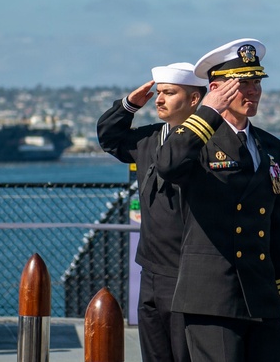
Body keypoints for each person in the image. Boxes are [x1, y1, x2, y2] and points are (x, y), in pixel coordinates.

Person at [155, 39, 280, 361]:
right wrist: (207, 111)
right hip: (213, 297)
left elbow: (278, 222)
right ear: (215, 89)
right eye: (242, 84)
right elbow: (168, 165)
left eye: (256, 82)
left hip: (262, 295)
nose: (252, 91)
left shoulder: (271, 146)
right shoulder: (197, 139)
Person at [97, 62, 207, 362]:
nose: (158, 99)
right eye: (159, 92)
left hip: (189, 271)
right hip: (151, 270)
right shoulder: (148, 139)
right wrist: (129, 105)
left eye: (169, 93)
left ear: (194, 99)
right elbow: (108, 138)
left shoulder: (212, 143)